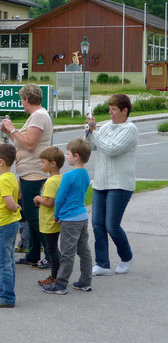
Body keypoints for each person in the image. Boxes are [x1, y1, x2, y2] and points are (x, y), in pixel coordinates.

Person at [1, 83, 53, 268]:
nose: (21, 103)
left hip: (34, 172)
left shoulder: (38, 116)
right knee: (32, 217)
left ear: (27, 99)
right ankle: (33, 254)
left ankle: (50, 254)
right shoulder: (36, 116)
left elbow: (30, 144)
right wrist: (10, 133)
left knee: (33, 215)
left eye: (22, 99)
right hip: (27, 171)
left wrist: (12, 129)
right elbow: (22, 142)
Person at [86, 94, 138, 276]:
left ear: (125, 110)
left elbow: (111, 149)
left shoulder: (130, 129)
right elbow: (92, 147)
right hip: (101, 182)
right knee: (97, 224)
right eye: (109, 109)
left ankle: (127, 256)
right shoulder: (107, 127)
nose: (110, 112)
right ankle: (102, 264)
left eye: (114, 109)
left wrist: (95, 133)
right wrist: (89, 131)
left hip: (120, 183)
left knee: (112, 225)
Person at [42, 139, 92, 295]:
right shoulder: (85, 174)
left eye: (68, 153)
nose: (67, 156)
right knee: (84, 250)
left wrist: (57, 215)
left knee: (67, 252)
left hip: (70, 219)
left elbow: (60, 198)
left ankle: (61, 283)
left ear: (76, 156)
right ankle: (85, 281)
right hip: (82, 216)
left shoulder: (69, 176)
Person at [0, 143, 21, 308]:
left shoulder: (3, 180)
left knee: (1, 262)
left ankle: (7, 297)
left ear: (0, 161)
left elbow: (9, 203)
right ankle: (4, 292)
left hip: (3, 225)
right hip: (7, 224)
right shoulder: (10, 177)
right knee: (8, 260)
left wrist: (15, 207)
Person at [33, 146, 64, 286]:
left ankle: (55, 276)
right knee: (54, 248)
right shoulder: (60, 179)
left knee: (51, 249)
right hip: (55, 220)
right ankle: (59, 273)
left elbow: (49, 202)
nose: (41, 165)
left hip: (49, 221)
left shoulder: (51, 181)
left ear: (53, 164)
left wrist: (38, 199)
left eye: (43, 162)